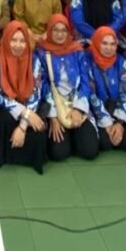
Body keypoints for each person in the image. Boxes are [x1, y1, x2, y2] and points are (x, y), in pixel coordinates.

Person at [0, 21, 48, 174]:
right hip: (3, 102)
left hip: (29, 103)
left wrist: (23, 125)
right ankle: (2, 158)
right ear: (6, 39)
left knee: (37, 126)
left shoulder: (34, 60)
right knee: (3, 120)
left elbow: (36, 93)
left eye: (22, 41)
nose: (18, 45)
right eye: (13, 40)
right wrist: (24, 113)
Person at [37, 14, 100, 161]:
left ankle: (75, 134)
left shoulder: (77, 51)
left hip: (77, 103)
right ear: (49, 31)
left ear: (68, 32)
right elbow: (43, 85)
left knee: (89, 151)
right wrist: (53, 117)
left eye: (63, 30)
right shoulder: (42, 52)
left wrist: (78, 108)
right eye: (55, 30)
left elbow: (85, 81)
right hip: (55, 105)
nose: (59, 34)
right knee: (59, 154)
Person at [85, 27, 126, 152]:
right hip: (96, 110)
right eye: (104, 43)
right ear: (97, 42)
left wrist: (119, 123)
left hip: (116, 108)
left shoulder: (121, 62)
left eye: (112, 44)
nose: (109, 48)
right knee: (105, 144)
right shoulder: (87, 61)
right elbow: (91, 95)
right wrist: (106, 122)